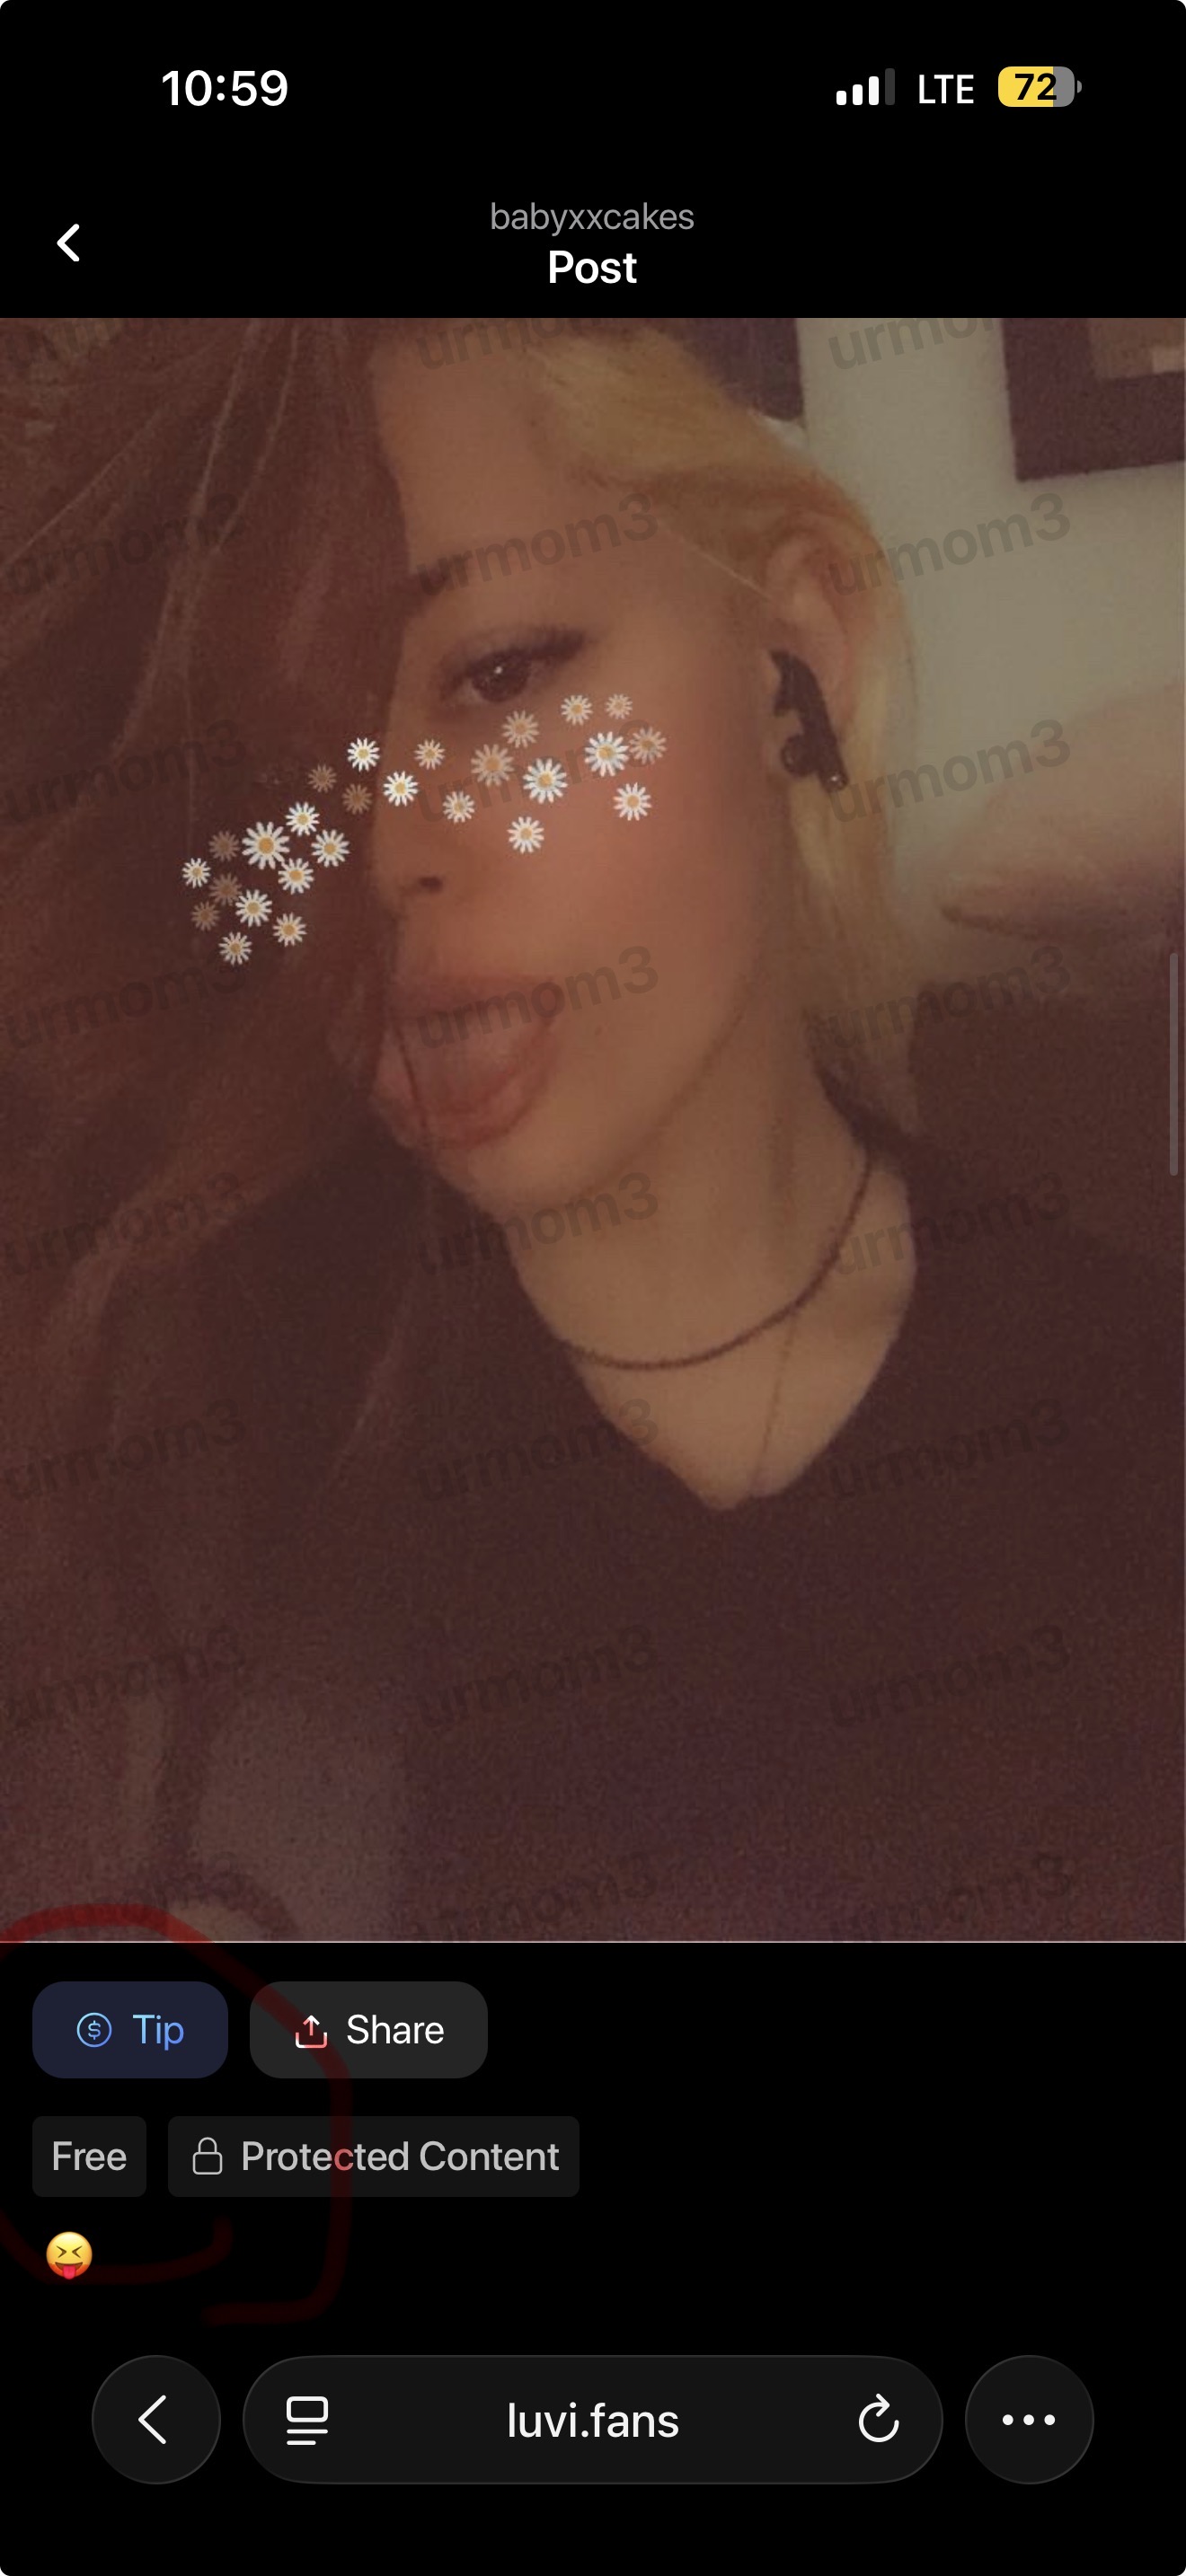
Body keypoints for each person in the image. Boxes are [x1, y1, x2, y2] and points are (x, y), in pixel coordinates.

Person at [0, 319, 1179, 1939]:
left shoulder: (1134, 1422)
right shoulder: (151, 1458)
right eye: (275, 772)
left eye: (500, 674)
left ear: (796, 662)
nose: (381, 856)